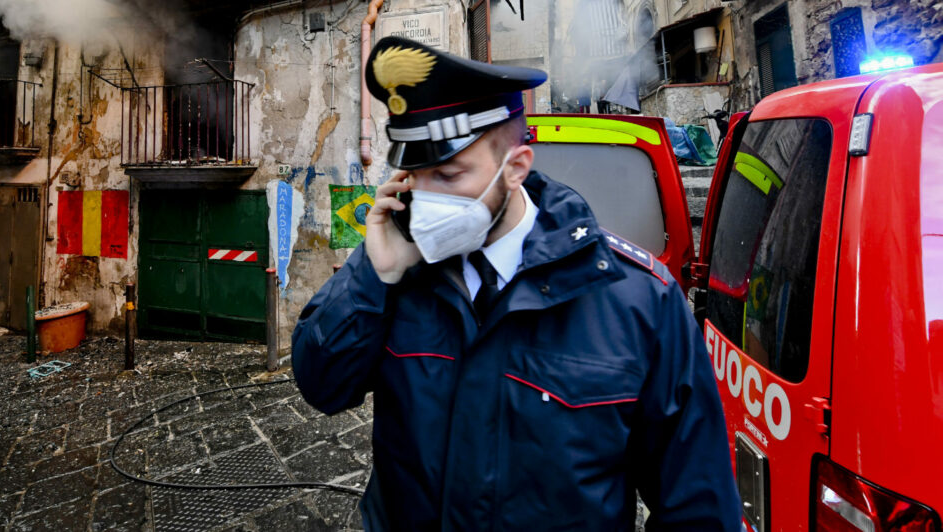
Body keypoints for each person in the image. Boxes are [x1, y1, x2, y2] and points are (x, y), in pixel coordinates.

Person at [291, 36, 742, 530]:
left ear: (515, 169)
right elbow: (322, 386)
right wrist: (373, 274)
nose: (423, 198)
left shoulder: (638, 302)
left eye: (448, 174)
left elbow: (698, 509)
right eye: (412, 175)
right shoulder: (396, 273)